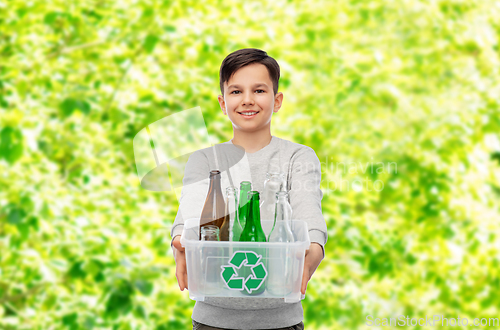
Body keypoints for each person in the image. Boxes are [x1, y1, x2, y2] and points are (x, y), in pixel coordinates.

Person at [171, 48, 327, 330]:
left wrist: (313, 248)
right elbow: (192, 215)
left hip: (281, 322)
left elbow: (308, 214)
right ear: (222, 103)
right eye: (235, 92)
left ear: (277, 100)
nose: (247, 100)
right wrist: (181, 240)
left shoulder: (298, 158)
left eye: (259, 90)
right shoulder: (205, 160)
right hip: (212, 320)